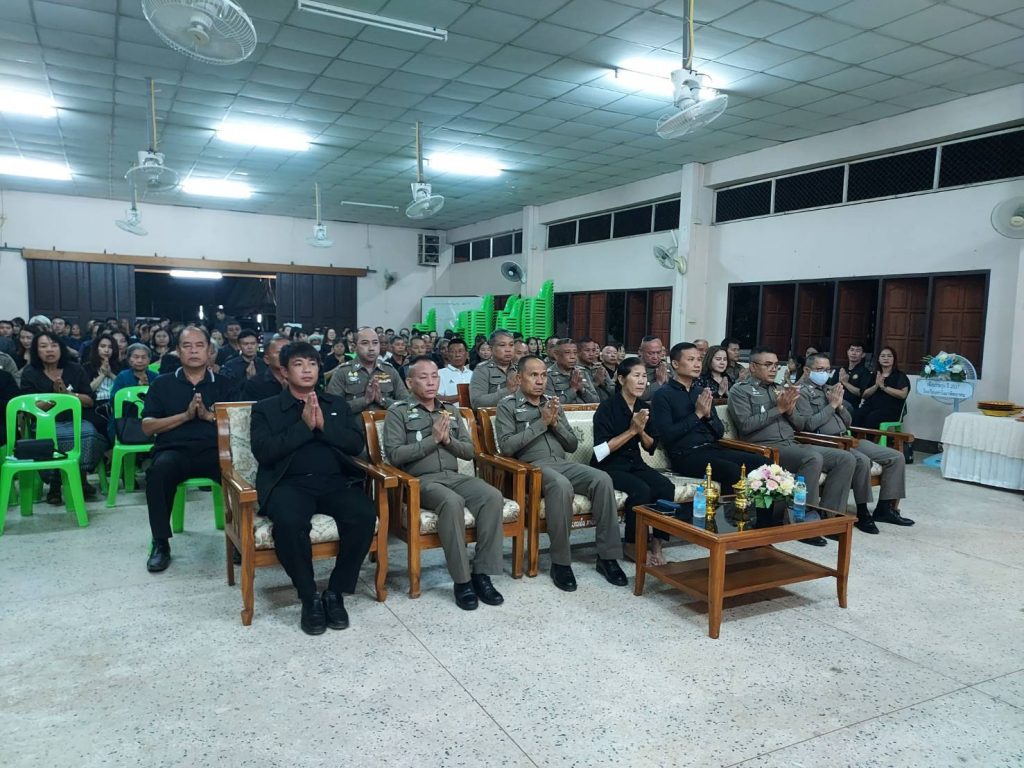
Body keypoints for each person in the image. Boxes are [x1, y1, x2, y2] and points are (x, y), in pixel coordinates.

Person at [249, 342, 376, 634]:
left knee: (363, 514)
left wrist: (323, 427)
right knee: (289, 522)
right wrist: (304, 427)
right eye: (298, 364)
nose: (307, 370)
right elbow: (265, 452)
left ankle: (336, 592)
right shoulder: (266, 409)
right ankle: (309, 597)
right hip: (288, 484)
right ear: (284, 371)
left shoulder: (335, 404)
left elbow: (355, 444)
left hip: (334, 482)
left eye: (312, 364)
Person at [384, 356, 506, 610]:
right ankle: (462, 581)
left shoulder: (449, 411)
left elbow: (469, 452)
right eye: (423, 377)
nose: (431, 382)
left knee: (492, 496)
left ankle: (481, 574)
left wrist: (448, 440)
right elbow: (395, 455)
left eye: (434, 376)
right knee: (452, 502)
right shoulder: (398, 412)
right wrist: (433, 440)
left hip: (454, 476)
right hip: (420, 481)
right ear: (409, 383)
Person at [495, 356, 627, 592]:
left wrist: (555, 423)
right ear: (519, 378)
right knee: (560, 484)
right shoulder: (508, 406)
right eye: (533, 375)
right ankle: (561, 562)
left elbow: (572, 445)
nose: (540, 381)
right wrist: (541, 423)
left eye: (544, 375)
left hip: (562, 463)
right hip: (530, 468)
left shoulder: (553, 403)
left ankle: (607, 557)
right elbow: (506, 447)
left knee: (602, 479)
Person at [728, 346, 857, 547]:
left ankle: (829, 519)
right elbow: (745, 425)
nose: (773, 369)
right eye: (768, 365)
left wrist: (789, 410)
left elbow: (800, 425)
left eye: (776, 365)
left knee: (845, 458)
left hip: (792, 443)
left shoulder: (781, 389)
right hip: (766, 447)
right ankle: (803, 521)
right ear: (752, 367)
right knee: (812, 458)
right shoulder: (740, 390)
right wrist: (779, 409)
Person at [140, 327, 236, 573]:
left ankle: (239, 537)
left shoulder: (225, 384)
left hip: (215, 451)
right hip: (174, 451)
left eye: (199, 345)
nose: (193, 351)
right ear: (177, 351)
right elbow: (148, 427)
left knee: (240, 474)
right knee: (158, 473)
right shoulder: (162, 383)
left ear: (209, 350)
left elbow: (239, 423)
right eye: (187, 345)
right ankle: (161, 543)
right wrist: (184, 416)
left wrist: (207, 416)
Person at [796, 354, 913, 533]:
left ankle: (885, 509)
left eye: (827, 370)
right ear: (807, 370)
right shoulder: (801, 393)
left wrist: (840, 406)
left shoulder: (830, 389)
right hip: (827, 442)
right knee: (862, 460)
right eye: (820, 369)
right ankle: (862, 511)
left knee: (896, 457)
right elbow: (809, 425)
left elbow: (848, 422)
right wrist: (831, 406)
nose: (824, 373)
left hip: (846, 437)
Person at [592, 357, 675, 567]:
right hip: (609, 466)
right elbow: (600, 451)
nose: (641, 381)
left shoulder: (643, 407)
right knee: (641, 490)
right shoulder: (607, 408)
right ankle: (631, 544)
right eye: (636, 376)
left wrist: (641, 431)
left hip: (634, 463)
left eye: (644, 376)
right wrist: (631, 431)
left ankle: (657, 545)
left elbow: (650, 446)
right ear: (621, 379)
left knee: (666, 487)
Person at [652, 343, 769, 489]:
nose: (697, 364)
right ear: (675, 364)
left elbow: (719, 432)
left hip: (712, 449)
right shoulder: (662, 395)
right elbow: (667, 436)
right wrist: (697, 415)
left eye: (699, 360)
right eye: (691, 360)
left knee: (764, 464)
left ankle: (761, 505)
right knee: (731, 471)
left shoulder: (701, 392)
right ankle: (730, 505)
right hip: (685, 455)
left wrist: (708, 416)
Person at [20, 331, 106, 503]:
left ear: (61, 348)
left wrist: (68, 395)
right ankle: (55, 483)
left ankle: (80, 477)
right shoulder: (30, 372)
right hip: (45, 424)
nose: (49, 350)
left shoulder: (75, 369)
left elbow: (89, 401)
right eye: (43, 346)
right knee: (51, 438)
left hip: (75, 421)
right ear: (36, 350)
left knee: (88, 434)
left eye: (54, 345)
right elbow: (28, 409)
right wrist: (55, 399)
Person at [324, 327, 407, 413]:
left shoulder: (390, 370)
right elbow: (332, 409)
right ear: (354, 347)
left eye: (375, 343)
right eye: (365, 343)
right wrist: (364, 401)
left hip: (387, 421)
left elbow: (407, 405)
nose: (371, 348)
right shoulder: (342, 372)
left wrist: (383, 400)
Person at [853, 346, 909, 430]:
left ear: (894, 359)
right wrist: (876, 385)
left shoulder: (900, 376)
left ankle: (870, 438)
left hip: (891, 409)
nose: (886, 358)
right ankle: (854, 438)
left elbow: (903, 394)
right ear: (878, 359)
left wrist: (884, 387)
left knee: (872, 417)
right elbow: (864, 395)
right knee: (857, 415)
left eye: (889, 356)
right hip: (871, 406)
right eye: (883, 356)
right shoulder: (873, 375)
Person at [469, 329, 519, 408]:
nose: (508, 349)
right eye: (502, 345)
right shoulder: (482, 370)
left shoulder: (520, 369)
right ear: (491, 348)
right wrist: (508, 390)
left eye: (511, 345)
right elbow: (477, 402)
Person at [84, 332, 122, 434]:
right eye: (103, 346)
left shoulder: (120, 366)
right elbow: (88, 390)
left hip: (116, 401)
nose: (106, 350)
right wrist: (102, 375)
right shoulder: (87, 367)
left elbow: (123, 387)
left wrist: (110, 374)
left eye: (110, 347)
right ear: (96, 348)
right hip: (96, 404)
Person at [546, 338, 599, 404]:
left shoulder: (582, 372)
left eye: (575, 353)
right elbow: (551, 405)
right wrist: (573, 389)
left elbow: (596, 401)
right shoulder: (549, 376)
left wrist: (582, 389)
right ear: (556, 355)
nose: (572, 357)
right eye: (567, 353)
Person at [242, 335, 290, 401]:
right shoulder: (255, 384)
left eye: (288, 352)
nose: (285, 355)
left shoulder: (300, 380)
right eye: (279, 352)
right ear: (267, 359)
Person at [835, 342, 871, 409]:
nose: (854, 353)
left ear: (863, 355)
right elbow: (829, 387)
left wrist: (845, 383)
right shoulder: (841, 370)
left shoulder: (865, 372)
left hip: (850, 405)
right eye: (852, 350)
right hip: (834, 401)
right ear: (847, 352)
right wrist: (839, 382)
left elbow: (861, 393)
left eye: (858, 351)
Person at [579, 337, 614, 402]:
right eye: (587, 350)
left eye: (593, 350)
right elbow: (580, 393)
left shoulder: (599, 368)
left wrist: (604, 383)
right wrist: (596, 382)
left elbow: (613, 390)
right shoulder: (575, 370)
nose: (591, 354)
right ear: (579, 351)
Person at [639, 336, 669, 400]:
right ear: (641, 352)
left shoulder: (668, 367)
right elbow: (640, 396)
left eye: (658, 353)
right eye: (650, 353)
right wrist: (659, 382)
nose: (655, 357)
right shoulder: (634, 369)